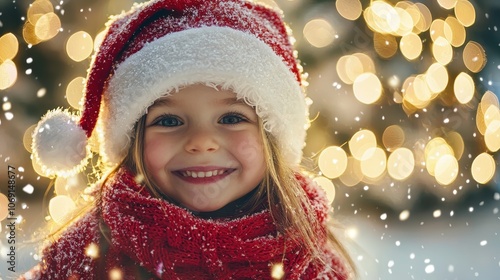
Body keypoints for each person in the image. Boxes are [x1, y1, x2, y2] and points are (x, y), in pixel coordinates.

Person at [24, 0, 354, 279]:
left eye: (232, 118)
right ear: (132, 141)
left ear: (271, 134)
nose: (201, 142)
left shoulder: (310, 257)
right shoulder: (88, 254)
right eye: (169, 121)